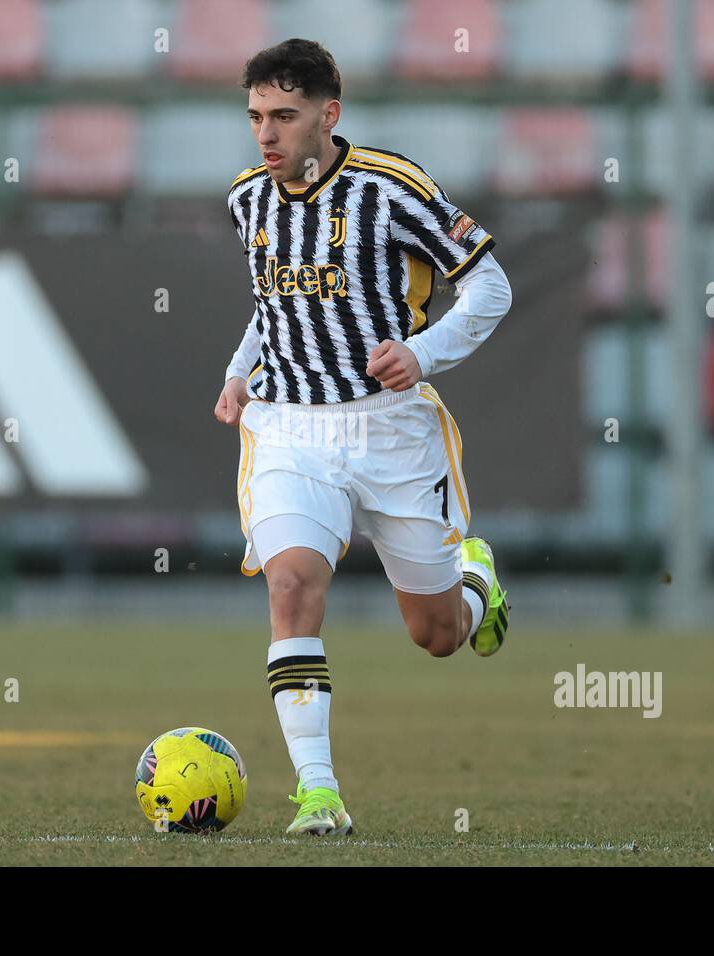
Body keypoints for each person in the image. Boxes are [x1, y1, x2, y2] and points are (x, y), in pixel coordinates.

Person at [213, 38, 513, 836]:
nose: (267, 135)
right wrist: (241, 370)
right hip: (289, 430)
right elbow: (275, 306)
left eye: (284, 116)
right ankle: (318, 793)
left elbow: (490, 283)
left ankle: (473, 583)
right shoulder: (248, 199)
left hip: (391, 435)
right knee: (291, 589)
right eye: (255, 118)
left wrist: (423, 353)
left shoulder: (392, 189)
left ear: (328, 114)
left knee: (438, 636)